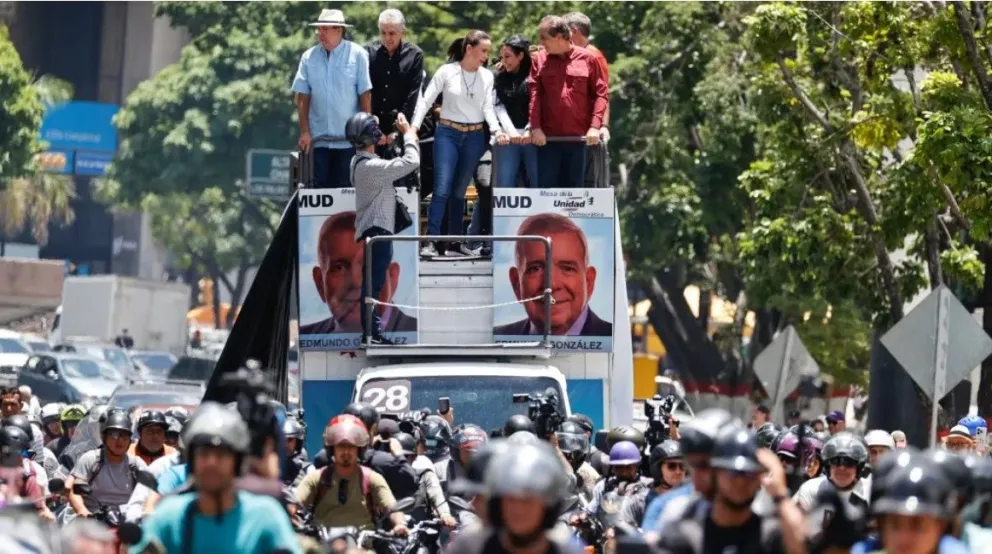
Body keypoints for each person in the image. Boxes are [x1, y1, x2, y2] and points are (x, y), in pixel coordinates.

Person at [131, 402, 302, 554]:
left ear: (237, 462)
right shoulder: (169, 518)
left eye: (221, 454)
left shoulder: (265, 517)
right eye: (204, 454)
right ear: (191, 460)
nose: (211, 463)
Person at [412, 30, 508, 258]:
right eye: (484, 50)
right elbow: (426, 101)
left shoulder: (487, 76)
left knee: (459, 191)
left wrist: (496, 130)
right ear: (469, 48)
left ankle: (454, 241)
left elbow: (487, 108)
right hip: (448, 133)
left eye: (488, 51)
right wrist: (413, 128)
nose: (487, 55)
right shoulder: (447, 72)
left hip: (474, 136)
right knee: (442, 188)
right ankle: (432, 241)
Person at [654, 428, 804, 554]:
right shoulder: (686, 536)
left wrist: (780, 495)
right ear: (715, 474)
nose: (740, 481)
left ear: (759, 478)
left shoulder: (770, 536)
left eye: (749, 474)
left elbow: (802, 547)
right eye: (732, 473)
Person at [348, 110, 422, 344]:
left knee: (374, 283)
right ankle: (371, 334)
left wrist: (389, 141)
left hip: (374, 231)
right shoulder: (371, 168)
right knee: (374, 284)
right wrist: (409, 135)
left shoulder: (359, 162)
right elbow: (412, 162)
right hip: (377, 231)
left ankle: (372, 333)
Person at [299, 210, 418, 337]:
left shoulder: (418, 332)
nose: (356, 281)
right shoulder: (306, 335)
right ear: (320, 284)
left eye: (370, 263)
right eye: (339, 267)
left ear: (393, 277)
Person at [292, 8, 373, 189]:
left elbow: (365, 95)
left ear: (339, 30)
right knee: (319, 190)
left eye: (325, 29)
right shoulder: (308, 57)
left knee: (345, 190)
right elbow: (302, 96)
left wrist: (367, 136)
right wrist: (305, 132)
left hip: (349, 142)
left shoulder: (358, 55)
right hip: (319, 140)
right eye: (319, 29)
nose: (320, 34)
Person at [495, 212, 612, 336]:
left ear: (589, 282)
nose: (551, 284)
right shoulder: (498, 337)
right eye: (535, 269)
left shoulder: (617, 339)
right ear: (516, 284)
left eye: (567, 269)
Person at [528, 15, 608, 188]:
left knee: (574, 195)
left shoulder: (589, 58)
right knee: (546, 194)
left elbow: (601, 95)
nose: (541, 42)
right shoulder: (539, 59)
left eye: (544, 38)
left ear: (558, 37)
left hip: (578, 141)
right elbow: (535, 95)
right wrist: (536, 128)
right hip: (547, 140)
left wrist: (595, 127)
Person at [295, 415, 408, 534]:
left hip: (362, 548)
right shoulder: (317, 478)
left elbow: (391, 506)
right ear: (332, 448)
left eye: (351, 446)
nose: (346, 451)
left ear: (359, 449)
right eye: (341, 446)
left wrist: (399, 524)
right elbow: (296, 502)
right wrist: (289, 513)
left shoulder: (372, 478)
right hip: (324, 547)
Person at [641, 409, 735, 537]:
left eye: (705, 465)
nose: (696, 476)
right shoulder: (667, 508)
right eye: (692, 466)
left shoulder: (760, 510)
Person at [66, 410, 148, 520]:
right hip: (94, 522)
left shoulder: (136, 464)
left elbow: (150, 493)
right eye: (114, 435)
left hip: (127, 523)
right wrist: (82, 511)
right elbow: (72, 490)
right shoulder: (90, 459)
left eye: (124, 436)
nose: (120, 441)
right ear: (104, 437)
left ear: (130, 440)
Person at [366, 9, 424, 160]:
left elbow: (412, 96)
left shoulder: (415, 55)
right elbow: (364, 92)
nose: (387, 38)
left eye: (392, 33)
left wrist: (396, 131)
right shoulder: (368, 53)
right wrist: (373, 130)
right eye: (383, 32)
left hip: (400, 125)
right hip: (371, 127)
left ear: (402, 33)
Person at [793, 431, 870, 534]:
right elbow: (796, 532)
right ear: (828, 466)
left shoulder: (871, 491)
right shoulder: (811, 489)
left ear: (859, 467)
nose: (842, 468)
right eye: (836, 461)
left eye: (849, 462)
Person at [564, 12, 610, 143]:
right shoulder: (566, 55)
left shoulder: (594, 55)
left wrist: (603, 126)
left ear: (574, 32)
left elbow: (603, 93)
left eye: (563, 31)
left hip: (588, 128)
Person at [620, 439, 685, 528]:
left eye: (682, 466)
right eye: (672, 466)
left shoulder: (694, 501)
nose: (678, 471)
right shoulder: (639, 502)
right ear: (658, 469)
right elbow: (622, 531)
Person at [0, 425, 55, 521]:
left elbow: (40, 509)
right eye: (8, 453)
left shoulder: (28, 479)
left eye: (20, 453)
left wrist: (45, 515)